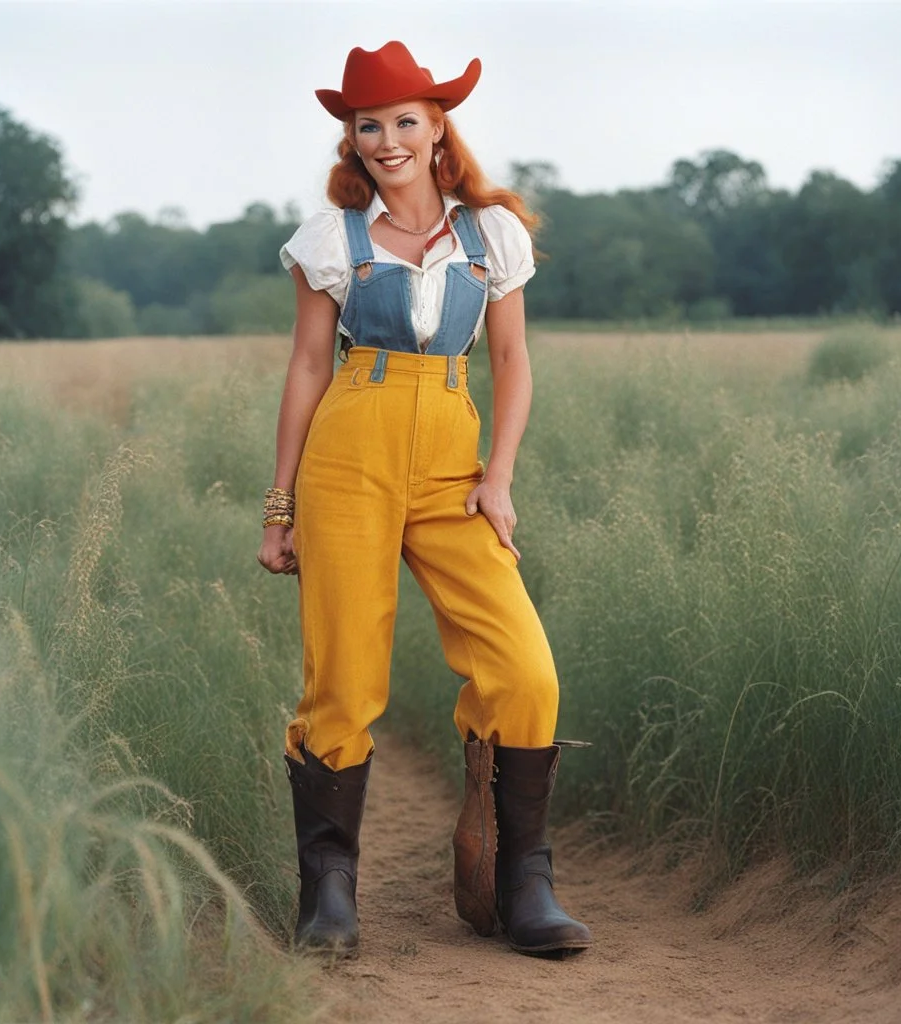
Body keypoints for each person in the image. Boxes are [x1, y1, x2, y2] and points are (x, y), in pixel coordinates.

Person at [257, 40, 591, 960]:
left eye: (407, 119)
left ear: (438, 125)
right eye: (371, 124)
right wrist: (279, 507)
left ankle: (522, 881)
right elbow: (307, 367)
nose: (389, 138)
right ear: (354, 139)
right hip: (348, 454)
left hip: (453, 462)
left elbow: (513, 361)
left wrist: (500, 479)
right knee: (344, 678)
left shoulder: (492, 235)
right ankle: (327, 894)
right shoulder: (331, 240)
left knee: (524, 670)